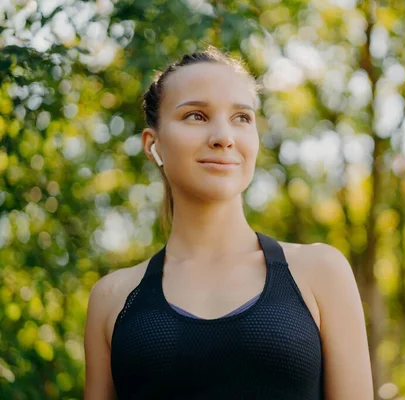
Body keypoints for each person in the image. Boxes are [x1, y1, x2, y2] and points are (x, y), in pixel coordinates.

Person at [83, 47, 373, 399]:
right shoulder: (112, 298)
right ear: (152, 144)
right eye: (196, 116)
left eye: (241, 118)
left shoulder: (320, 272)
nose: (224, 137)